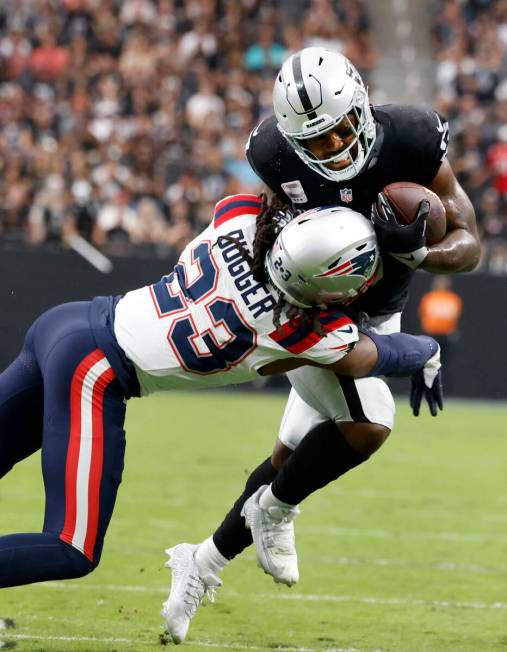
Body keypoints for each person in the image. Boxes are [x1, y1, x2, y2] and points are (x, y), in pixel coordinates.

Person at [162, 46, 480, 644]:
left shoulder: (411, 136)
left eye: (339, 133)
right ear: (291, 139)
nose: (333, 149)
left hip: (380, 312)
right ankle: (276, 512)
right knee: (368, 425)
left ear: (360, 106)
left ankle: (200, 563)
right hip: (314, 315)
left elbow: (470, 241)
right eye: (317, 143)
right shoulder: (274, 154)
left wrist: (420, 255)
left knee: (291, 461)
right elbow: (267, 228)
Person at [0, 194, 443, 596]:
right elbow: (380, 353)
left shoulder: (241, 217)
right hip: (94, 370)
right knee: (71, 547)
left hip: (68, 321)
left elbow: (270, 196)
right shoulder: (294, 329)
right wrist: (429, 351)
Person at [418, 275, 463, 391]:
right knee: (429, 363)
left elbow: (455, 317)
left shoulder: (452, 298)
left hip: (446, 335)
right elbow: (424, 315)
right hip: (432, 335)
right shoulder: (429, 298)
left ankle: (444, 388)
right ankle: (427, 387)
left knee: (444, 363)